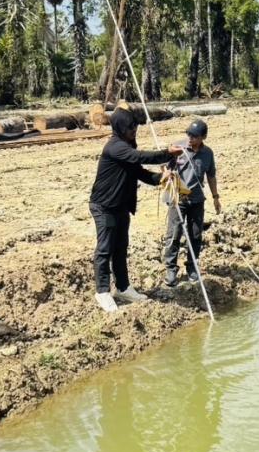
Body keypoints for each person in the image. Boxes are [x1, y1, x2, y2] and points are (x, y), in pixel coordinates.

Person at [89, 109, 183, 313]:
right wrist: (167, 153)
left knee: (121, 247)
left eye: (135, 127)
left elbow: (139, 172)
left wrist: (161, 179)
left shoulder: (128, 145)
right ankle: (102, 291)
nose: (134, 131)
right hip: (105, 206)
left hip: (121, 205)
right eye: (131, 128)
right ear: (121, 128)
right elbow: (140, 157)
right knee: (105, 248)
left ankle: (123, 287)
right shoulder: (115, 147)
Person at [162, 119, 220, 289]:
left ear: (203, 137)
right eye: (188, 134)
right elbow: (163, 165)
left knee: (195, 235)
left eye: (194, 136)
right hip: (178, 199)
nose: (190, 138)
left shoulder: (208, 154)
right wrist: (167, 174)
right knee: (174, 234)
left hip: (197, 200)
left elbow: (211, 176)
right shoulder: (178, 148)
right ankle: (171, 270)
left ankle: (192, 267)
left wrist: (216, 197)